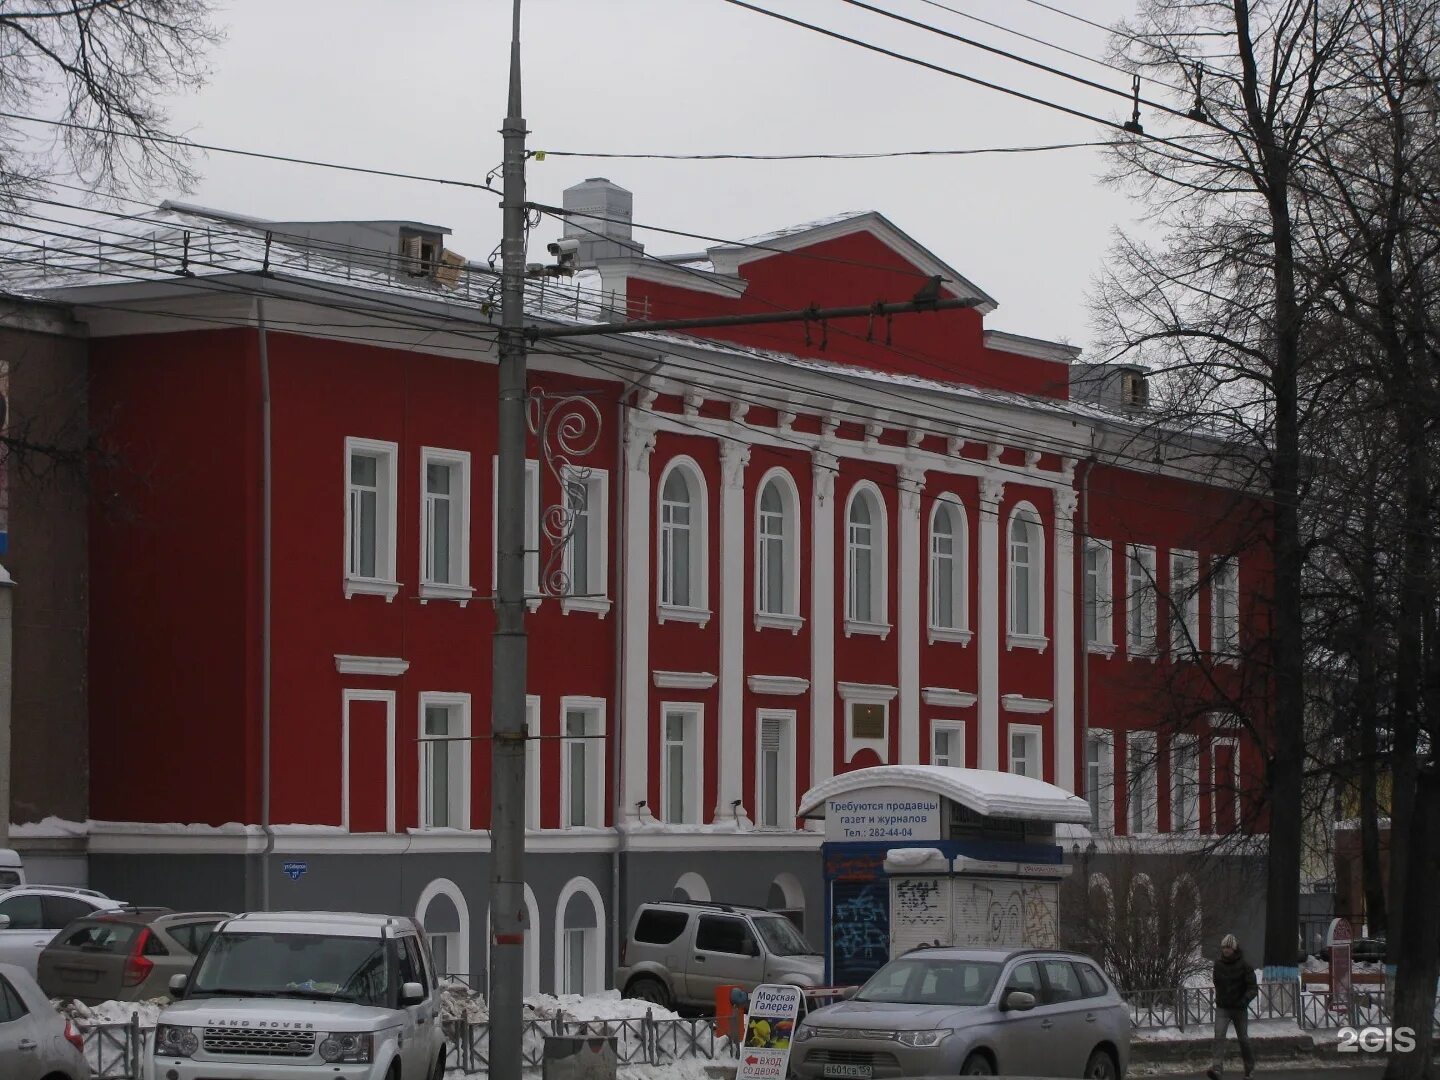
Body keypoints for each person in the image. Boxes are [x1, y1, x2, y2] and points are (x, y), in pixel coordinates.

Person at [1208, 933, 1258, 1080]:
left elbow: (1252, 987)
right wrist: (1221, 997)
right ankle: (1217, 1069)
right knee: (1218, 1037)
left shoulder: (1245, 966)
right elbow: (1217, 982)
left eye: (1228, 947)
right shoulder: (1218, 964)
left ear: (1234, 949)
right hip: (1223, 1007)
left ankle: (1249, 1070)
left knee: (1243, 1039)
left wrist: (1244, 1000)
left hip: (1239, 1008)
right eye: (1224, 947)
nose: (1226, 950)